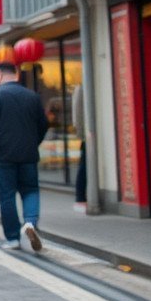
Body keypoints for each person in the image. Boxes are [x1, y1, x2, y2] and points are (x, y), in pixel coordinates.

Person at [0, 63, 51, 253]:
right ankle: (30, 222)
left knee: (7, 196)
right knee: (31, 190)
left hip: (4, 155)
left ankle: (12, 239)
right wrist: (34, 142)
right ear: (16, 74)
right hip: (28, 153)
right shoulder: (32, 97)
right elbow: (43, 124)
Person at [72, 83, 87, 212]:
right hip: (87, 137)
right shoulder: (81, 88)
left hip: (88, 136)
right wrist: (82, 134)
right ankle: (80, 197)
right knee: (84, 166)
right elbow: (78, 115)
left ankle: (81, 196)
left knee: (84, 165)